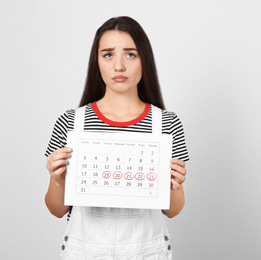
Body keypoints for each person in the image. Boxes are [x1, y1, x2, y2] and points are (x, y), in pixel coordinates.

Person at [44, 16, 189, 259]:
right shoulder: (71, 122)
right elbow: (57, 209)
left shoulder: (167, 124)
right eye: (108, 54)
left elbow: (173, 210)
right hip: (85, 251)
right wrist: (57, 180)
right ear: (96, 61)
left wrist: (176, 184)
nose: (119, 66)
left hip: (146, 251)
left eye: (131, 54)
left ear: (145, 60)